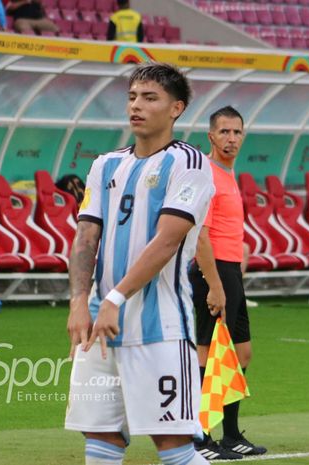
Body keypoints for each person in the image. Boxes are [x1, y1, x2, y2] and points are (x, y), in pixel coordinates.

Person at [65, 62, 215, 465]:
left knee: (173, 443)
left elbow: (167, 241)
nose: (137, 105)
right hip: (101, 322)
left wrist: (114, 296)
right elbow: (85, 237)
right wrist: (80, 301)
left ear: (176, 108)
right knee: (100, 431)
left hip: (160, 325)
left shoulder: (190, 163)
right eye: (132, 96)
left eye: (150, 98)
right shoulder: (105, 164)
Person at [189, 106, 267, 459]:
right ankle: (200, 438)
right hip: (212, 272)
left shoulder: (228, 173)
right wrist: (215, 283)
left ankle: (231, 434)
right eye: (224, 132)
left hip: (230, 271)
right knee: (208, 354)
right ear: (211, 135)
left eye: (236, 132)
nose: (231, 138)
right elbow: (200, 236)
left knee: (240, 353)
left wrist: (238, 262)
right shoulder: (206, 174)